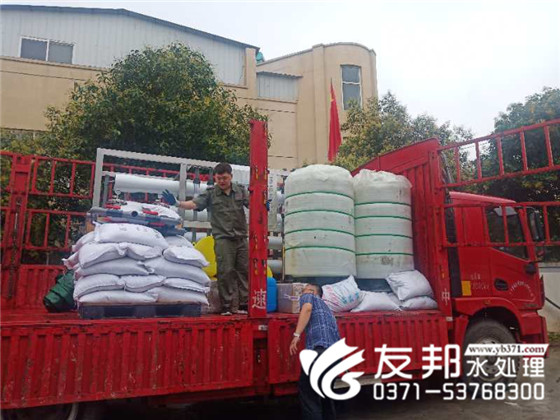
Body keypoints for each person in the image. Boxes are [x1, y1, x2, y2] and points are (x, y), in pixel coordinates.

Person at [162, 162, 249, 316]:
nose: (222, 181)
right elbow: (194, 204)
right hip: (223, 238)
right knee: (225, 271)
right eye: (219, 178)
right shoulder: (211, 194)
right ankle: (227, 306)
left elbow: (253, 203)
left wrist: (264, 204)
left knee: (244, 271)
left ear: (231, 176)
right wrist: (177, 203)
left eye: (225, 178)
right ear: (215, 178)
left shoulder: (240, 191)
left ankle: (244, 305)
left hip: (241, 237)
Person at [290, 284, 340, 420]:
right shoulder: (329, 311)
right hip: (334, 357)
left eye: (304, 290)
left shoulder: (309, 297)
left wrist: (297, 334)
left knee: (309, 395)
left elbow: (307, 308)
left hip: (318, 353)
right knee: (326, 395)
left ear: (312, 292)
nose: (302, 292)